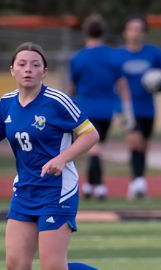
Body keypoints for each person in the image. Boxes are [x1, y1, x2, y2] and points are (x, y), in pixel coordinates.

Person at [0, 42, 131, 270]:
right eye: (22, 64)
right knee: (16, 266)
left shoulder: (57, 101)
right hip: (24, 191)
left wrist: (62, 158)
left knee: (54, 269)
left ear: (44, 70)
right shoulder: (5, 104)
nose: (28, 69)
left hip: (57, 191)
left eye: (35, 64)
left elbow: (91, 135)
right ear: (12, 70)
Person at [118, 15, 161, 200]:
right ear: (125, 32)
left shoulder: (153, 53)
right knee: (134, 143)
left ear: (144, 33)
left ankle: (137, 183)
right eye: (131, 29)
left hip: (148, 108)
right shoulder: (118, 56)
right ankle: (138, 185)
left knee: (143, 146)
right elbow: (110, 80)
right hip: (127, 109)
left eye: (139, 30)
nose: (135, 33)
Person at [69, 13, 123, 200]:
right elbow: (121, 83)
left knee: (93, 149)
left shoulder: (78, 58)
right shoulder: (113, 56)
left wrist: (69, 106)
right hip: (106, 110)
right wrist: (125, 108)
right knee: (96, 148)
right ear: (103, 32)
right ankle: (93, 186)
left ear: (85, 33)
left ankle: (96, 186)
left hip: (84, 109)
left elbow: (72, 86)